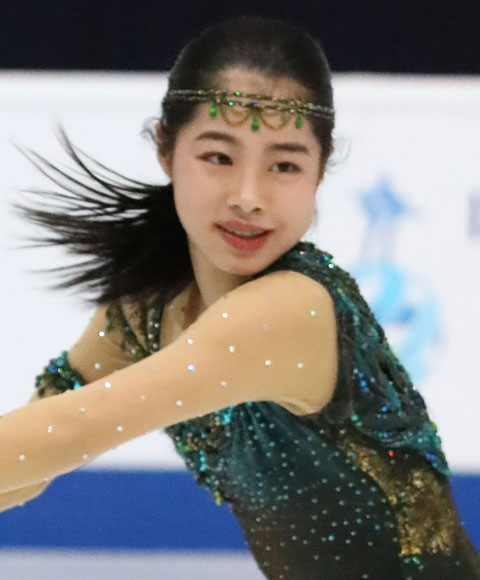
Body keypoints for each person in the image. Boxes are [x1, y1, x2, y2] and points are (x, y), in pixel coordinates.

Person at [1, 15, 479, 580]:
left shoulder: (289, 311)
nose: (249, 197)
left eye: (284, 165)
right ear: (165, 149)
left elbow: (71, 430)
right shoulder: (147, 310)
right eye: (219, 158)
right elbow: (31, 460)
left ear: (320, 171)